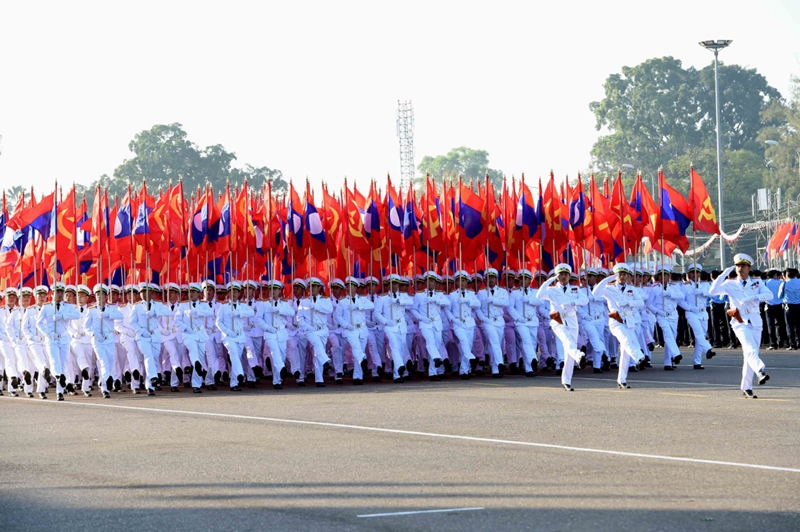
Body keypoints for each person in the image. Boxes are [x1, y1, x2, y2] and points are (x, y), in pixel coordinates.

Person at [708, 253, 772, 398]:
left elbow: (770, 295)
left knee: (750, 354)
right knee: (749, 347)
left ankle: (746, 387)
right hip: (739, 321)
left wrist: (753, 297)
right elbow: (712, 291)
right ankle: (760, 369)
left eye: (743, 266)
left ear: (749, 268)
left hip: (755, 320)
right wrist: (724, 273)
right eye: (737, 266)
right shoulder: (729, 283)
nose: (740, 268)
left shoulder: (757, 283)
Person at [593, 263, 645, 389]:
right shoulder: (609, 288)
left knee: (625, 352)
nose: (622, 277)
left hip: (629, 320)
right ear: (616, 275)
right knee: (625, 340)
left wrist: (627, 302)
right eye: (620, 274)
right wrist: (608, 279)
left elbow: (641, 302)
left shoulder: (631, 289)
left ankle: (622, 380)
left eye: (624, 274)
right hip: (616, 320)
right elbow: (595, 292)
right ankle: (639, 357)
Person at [537, 264, 589, 391]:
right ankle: (579, 355)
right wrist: (550, 279)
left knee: (568, 352)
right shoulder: (551, 290)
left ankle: (567, 381)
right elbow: (539, 295)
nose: (564, 276)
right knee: (567, 342)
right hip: (558, 321)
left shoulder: (575, 289)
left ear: (569, 276)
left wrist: (572, 302)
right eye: (561, 274)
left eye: (566, 274)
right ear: (557, 276)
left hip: (572, 321)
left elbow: (585, 300)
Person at [35, 282, 81, 401]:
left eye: (61, 292)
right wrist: (48, 333)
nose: (59, 294)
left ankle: (59, 391)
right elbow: (39, 323)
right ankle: (58, 377)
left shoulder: (68, 306)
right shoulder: (47, 307)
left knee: (64, 363)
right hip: (52, 338)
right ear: (53, 293)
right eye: (57, 292)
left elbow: (77, 315)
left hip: (64, 337)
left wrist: (63, 315)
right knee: (54, 360)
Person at [84, 284, 125, 399]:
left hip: (109, 339)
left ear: (106, 296)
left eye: (101, 294)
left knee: (110, 363)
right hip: (97, 340)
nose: (99, 296)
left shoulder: (111, 308)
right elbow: (86, 326)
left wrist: (108, 314)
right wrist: (93, 333)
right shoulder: (91, 310)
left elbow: (120, 315)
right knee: (103, 362)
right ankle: (105, 387)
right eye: (97, 294)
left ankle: (104, 381)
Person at [216, 281, 255, 391]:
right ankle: (240, 374)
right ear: (228, 293)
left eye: (236, 292)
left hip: (239, 336)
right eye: (231, 291)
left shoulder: (242, 305)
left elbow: (251, 313)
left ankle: (234, 383)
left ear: (239, 293)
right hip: (228, 337)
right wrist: (228, 332)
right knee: (233, 353)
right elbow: (218, 323)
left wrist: (239, 313)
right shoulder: (223, 307)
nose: (234, 294)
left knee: (235, 358)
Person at [507, 269, 543, 377]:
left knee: (532, 343)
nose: (523, 281)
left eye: (525, 279)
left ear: (529, 280)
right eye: (521, 279)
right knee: (526, 341)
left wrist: (528, 300)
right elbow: (510, 307)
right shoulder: (515, 292)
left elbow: (540, 301)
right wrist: (518, 318)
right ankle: (534, 359)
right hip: (521, 322)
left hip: (532, 321)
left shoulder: (535, 292)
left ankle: (529, 369)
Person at [477, 268, 510, 378]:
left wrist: (493, 300)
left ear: (496, 279)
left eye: (493, 277)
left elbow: (506, 302)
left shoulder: (502, 291)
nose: (491, 280)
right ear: (485, 279)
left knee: (497, 344)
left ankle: (495, 368)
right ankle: (499, 363)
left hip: (499, 321)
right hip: (488, 321)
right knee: (494, 341)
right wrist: (483, 319)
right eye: (488, 278)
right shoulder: (481, 293)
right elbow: (478, 309)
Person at [764, 269, 787, 349]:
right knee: (780, 324)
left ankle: (773, 343)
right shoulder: (781, 283)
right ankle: (781, 342)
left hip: (769, 305)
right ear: (775, 275)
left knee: (770, 325)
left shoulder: (765, 283)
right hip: (780, 305)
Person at [779, 268, 800, 350]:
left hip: (788, 306)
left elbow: (779, 296)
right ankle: (799, 342)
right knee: (798, 325)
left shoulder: (784, 284)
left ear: (787, 275)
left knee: (789, 325)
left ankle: (792, 344)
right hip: (799, 305)